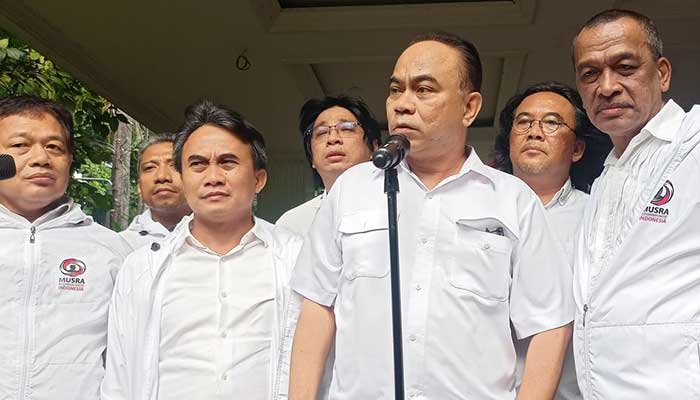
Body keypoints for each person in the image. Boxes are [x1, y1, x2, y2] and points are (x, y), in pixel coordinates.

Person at [288, 32, 575, 400]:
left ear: (469, 107)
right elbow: (317, 306)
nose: (402, 104)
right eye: (396, 90)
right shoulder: (351, 189)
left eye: (423, 90)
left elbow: (550, 324)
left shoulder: (512, 201)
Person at [101, 100, 303, 400]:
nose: (213, 177)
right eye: (197, 164)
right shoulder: (142, 268)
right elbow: (119, 376)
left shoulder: (296, 258)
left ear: (258, 179)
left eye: (228, 162)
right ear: (183, 179)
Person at [571, 9, 700, 399]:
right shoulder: (604, 178)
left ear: (662, 73)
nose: (607, 87)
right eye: (590, 74)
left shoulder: (694, 141)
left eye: (625, 67)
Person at [0, 95, 129, 399]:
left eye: (54, 147)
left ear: (70, 159)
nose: (41, 158)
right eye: (20, 145)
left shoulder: (112, 251)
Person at [494, 82, 611, 400]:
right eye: (523, 122)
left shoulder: (598, 217)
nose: (534, 132)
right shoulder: (476, 211)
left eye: (551, 123)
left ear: (577, 149)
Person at [276, 95, 381, 235]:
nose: (333, 138)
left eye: (346, 128)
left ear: (374, 148)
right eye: (321, 132)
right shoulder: (292, 225)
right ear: (311, 157)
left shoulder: (396, 205)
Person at [119, 135, 190, 250]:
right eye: (150, 167)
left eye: (174, 165)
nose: (162, 176)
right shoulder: (119, 246)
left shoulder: (219, 238)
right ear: (139, 187)